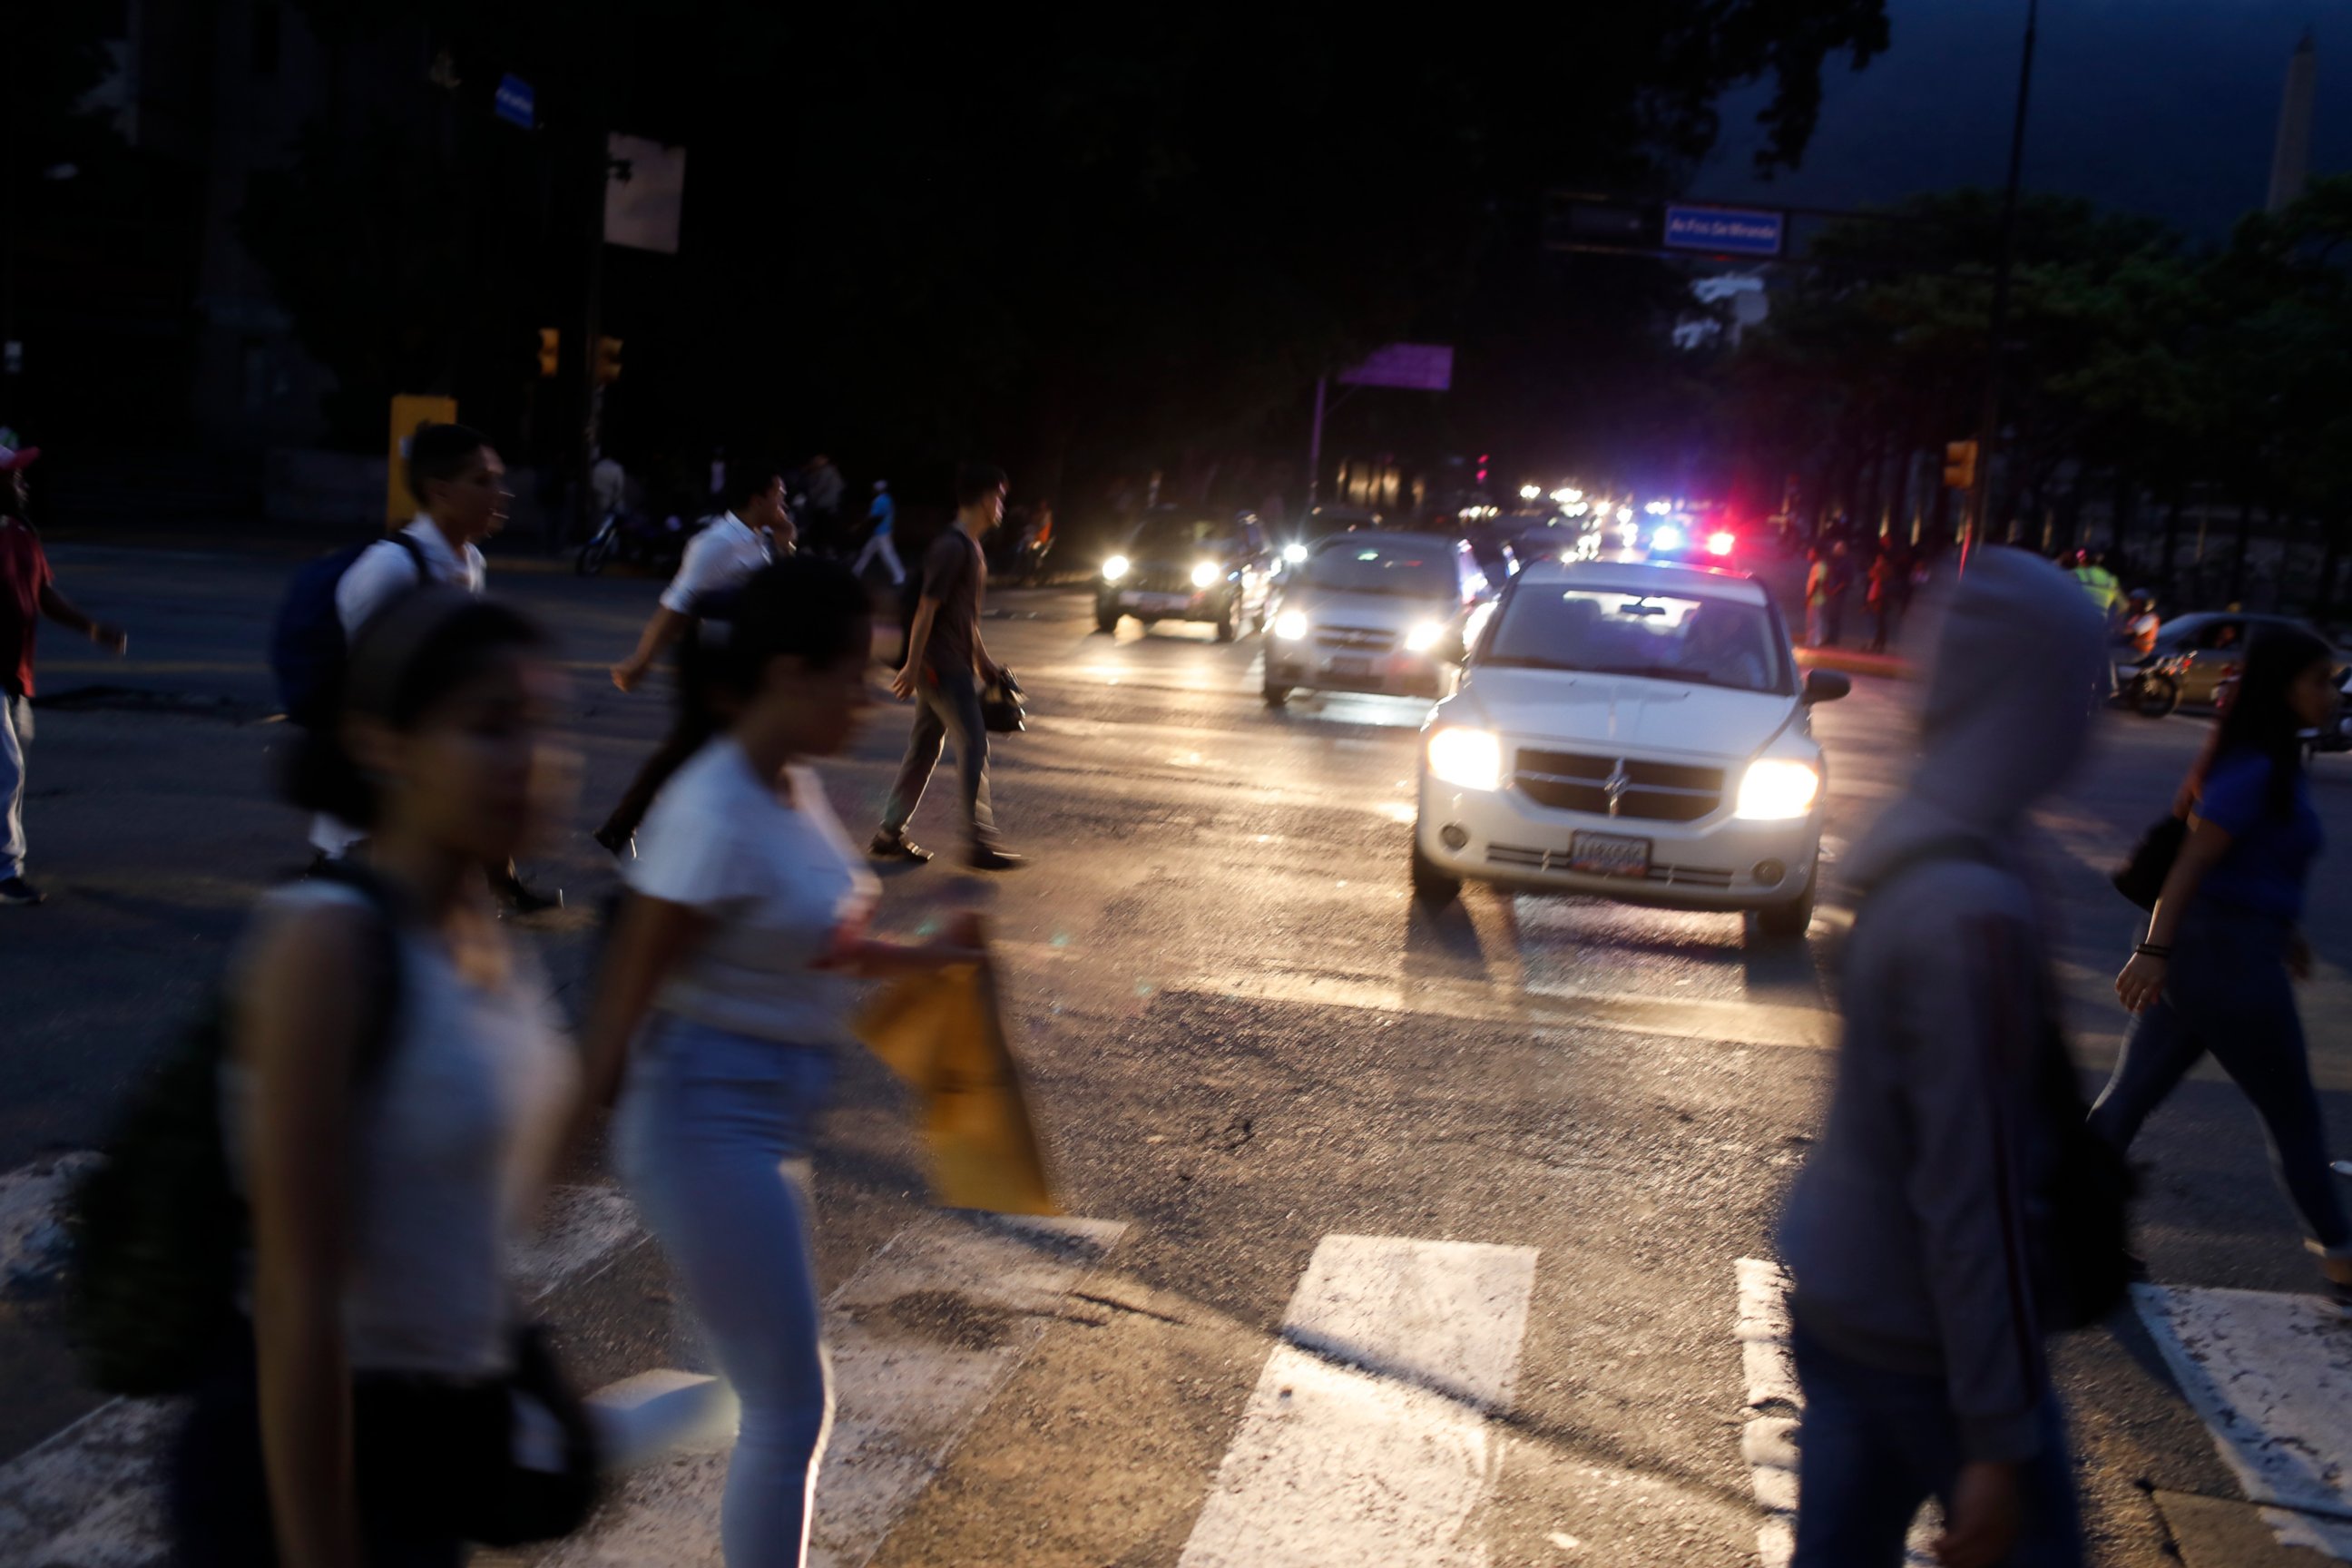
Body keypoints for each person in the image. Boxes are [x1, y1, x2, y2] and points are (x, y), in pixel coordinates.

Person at [580, 557, 988, 1568]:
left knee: (738, 1400)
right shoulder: (713, 811)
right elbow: (620, 1011)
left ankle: (534, 1450)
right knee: (789, 1407)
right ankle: (524, 1450)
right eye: (846, 676)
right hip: (701, 1126)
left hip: (758, 1126)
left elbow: (819, 940)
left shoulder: (787, 785)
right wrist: (546, 1154)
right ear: (781, 676)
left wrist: (929, 954)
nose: (865, 699)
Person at [172, 590, 582, 1566]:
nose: (531, 757)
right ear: (384, 744)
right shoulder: (328, 943)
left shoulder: (479, 929)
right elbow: (296, 1296)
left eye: (540, 722)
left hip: (432, 1446)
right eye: (490, 726)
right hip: (314, 1474)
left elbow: (480, 1191)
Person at [1779, 546, 2104, 1568]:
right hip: (1926, 1342)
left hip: (1845, 1293)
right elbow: (1975, 1190)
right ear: (2035, 695)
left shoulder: (1925, 841)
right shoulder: (1977, 910)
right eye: (2080, 685)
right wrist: (2000, 1440)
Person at [2098, 627, 2352, 1312]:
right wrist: (2153, 951)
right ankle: (2344, 1262)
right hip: (2226, 961)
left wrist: (2285, 931)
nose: (2333, 693)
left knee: (2128, 1099)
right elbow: (2192, 866)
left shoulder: (2268, 760)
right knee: (2294, 1118)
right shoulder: (2255, 770)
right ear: (2284, 687)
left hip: (2224, 951)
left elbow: (2250, 864)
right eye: (2322, 680)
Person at [311, 424, 554, 913]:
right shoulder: (390, 569)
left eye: (498, 479)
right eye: (483, 480)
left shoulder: (471, 562)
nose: (499, 493)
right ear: (441, 490)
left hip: (436, 752)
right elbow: (356, 677)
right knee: (356, 900)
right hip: (388, 761)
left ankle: (499, 885)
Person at [595, 466, 789, 857]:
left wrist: (786, 544)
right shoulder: (716, 543)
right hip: (709, 662)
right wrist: (641, 661)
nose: (783, 503)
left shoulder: (757, 538)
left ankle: (622, 827)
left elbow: (780, 592)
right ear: (757, 500)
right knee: (710, 749)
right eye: (778, 495)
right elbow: (675, 605)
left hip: (741, 661)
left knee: (695, 749)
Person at [869, 462, 1023, 871]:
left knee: (924, 748)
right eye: (1001, 497)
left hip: (952, 662)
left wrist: (983, 659)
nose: (1003, 505)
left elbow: (964, 616)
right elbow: (926, 608)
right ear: (988, 498)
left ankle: (889, 834)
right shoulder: (952, 547)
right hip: (940, 667)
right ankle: (976, 841)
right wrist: (913, 666)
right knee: (973, 742)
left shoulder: (971, 547)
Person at [0, 439, 128, 906]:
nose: (22, 482)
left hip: (15, 675)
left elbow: (44, 595)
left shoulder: (21, 532)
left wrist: (94, 630)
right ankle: (5, 872)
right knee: (6, 772)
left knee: (11, 769)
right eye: (13, 476)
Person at [852, 480, 905, 586]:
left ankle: (900, 576)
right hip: (883, 531)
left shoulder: (879, 501)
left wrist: (859, 526)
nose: (872, 491)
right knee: (867, 551)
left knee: (887, 554)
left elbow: (873, 517)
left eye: (874, 489)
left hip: (881, 532)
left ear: (878, 490)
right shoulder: (888, 498)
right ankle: (856, 572)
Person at [801, 455, 845, 556]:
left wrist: (809, 497)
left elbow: (818, 489)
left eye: (818, 459)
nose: (815, 461)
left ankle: (823, 553)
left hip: (825, 507)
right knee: (828, 532)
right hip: (832, 507)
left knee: (821, 533)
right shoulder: (832, 471)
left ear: (824, 459)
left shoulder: (826, 471)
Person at [1821, 540, 1855, 647]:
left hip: (1839, 593)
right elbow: (1828, 572)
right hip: (1831, 590)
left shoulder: (1846, 562)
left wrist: (1835, 590)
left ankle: (1833, 638)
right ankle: (1830, 637)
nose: (1835, 552)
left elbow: (1846, 580)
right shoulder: (1834, 560)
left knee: (1835, 615)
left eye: (1837, 549)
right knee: (1831, 615)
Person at [2123, 591, 2161, 661]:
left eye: (2136, 602)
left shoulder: (2149, 619)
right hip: (2129, 647)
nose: (2132, 604)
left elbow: (2126, 631)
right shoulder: (2137, 616)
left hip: (2137, 652)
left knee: (2105, 654)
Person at [1803, 546, 1828, 649]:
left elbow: (1817, 582)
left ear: (1816, 554)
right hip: (1815, 598)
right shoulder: (1817, 566)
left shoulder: (1820, 566)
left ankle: (1813, 642)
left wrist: (1809, 596)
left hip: (1816, 599)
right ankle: (1812, 641)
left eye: (1811, 553)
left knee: (1814, 621)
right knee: (1813, 620)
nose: (1809, 555)